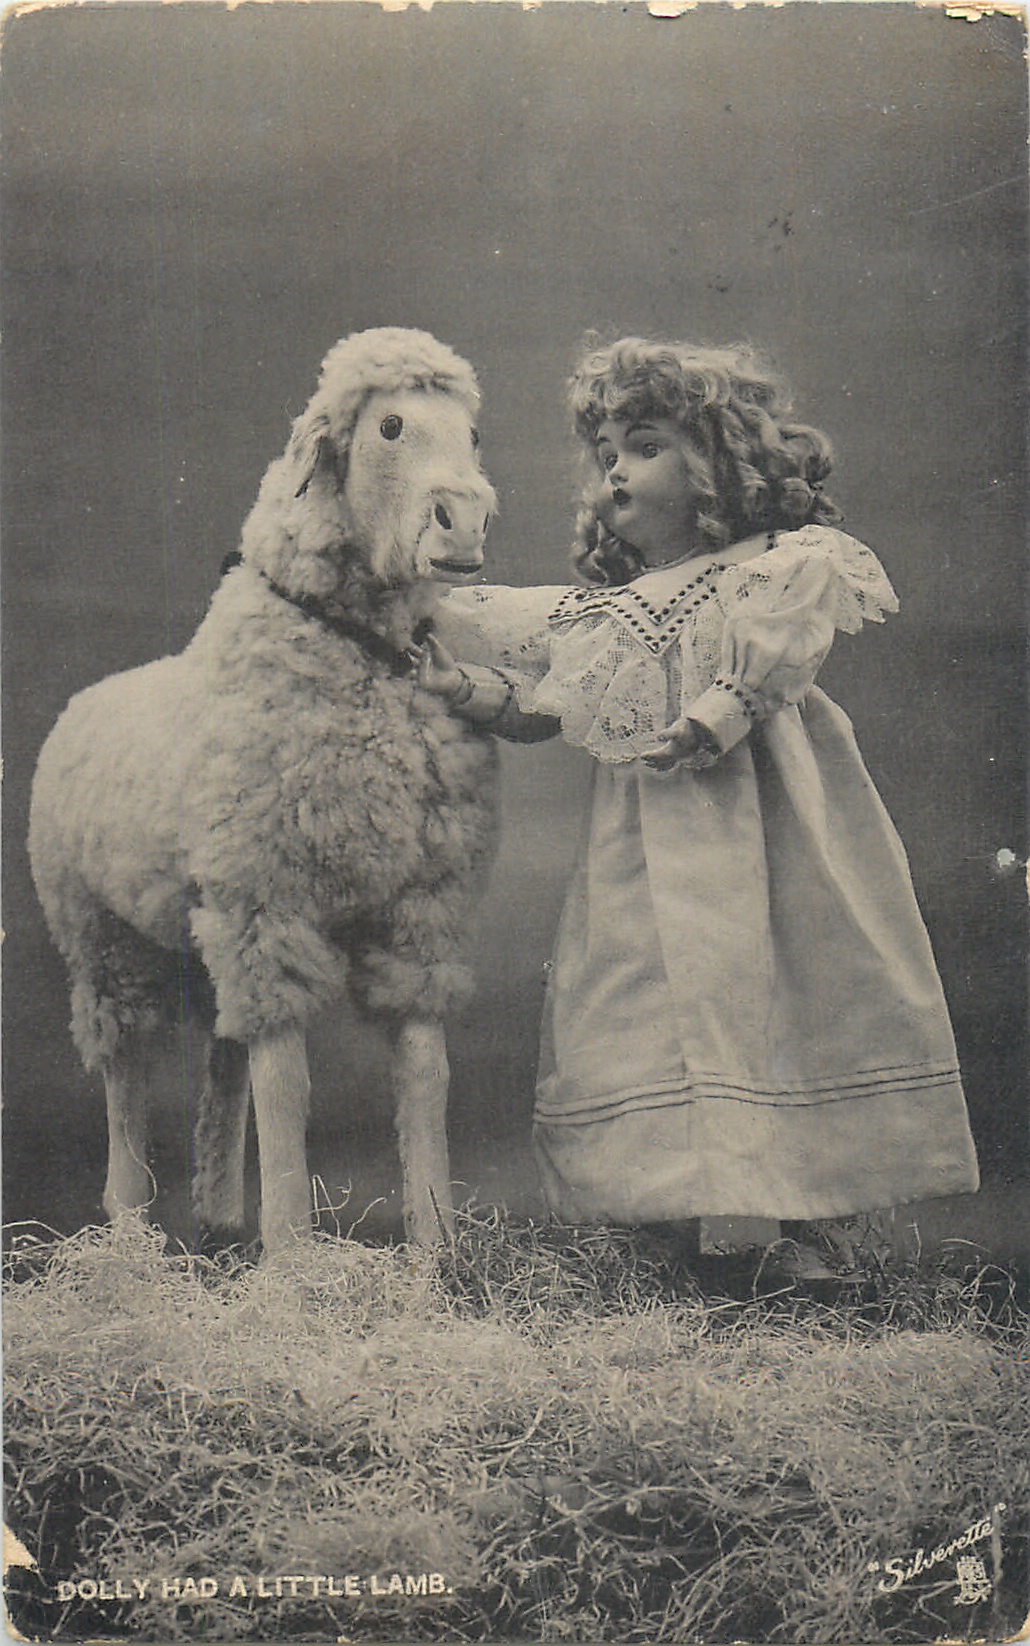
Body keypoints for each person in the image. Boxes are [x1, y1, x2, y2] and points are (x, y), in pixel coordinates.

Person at [420, 335, 979, 1245]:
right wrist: (462, 687)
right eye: (607, 455)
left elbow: (788, 648)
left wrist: (722, 709)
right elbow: (541, 701)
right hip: (643, 861)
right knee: (642, 1006)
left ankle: (801, 1226)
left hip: (770, 835)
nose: (616, 472)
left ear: (721, 462)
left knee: (781, 995)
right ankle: (672, 1220)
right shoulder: (607, 615)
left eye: (646, 447)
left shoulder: (774, 565)